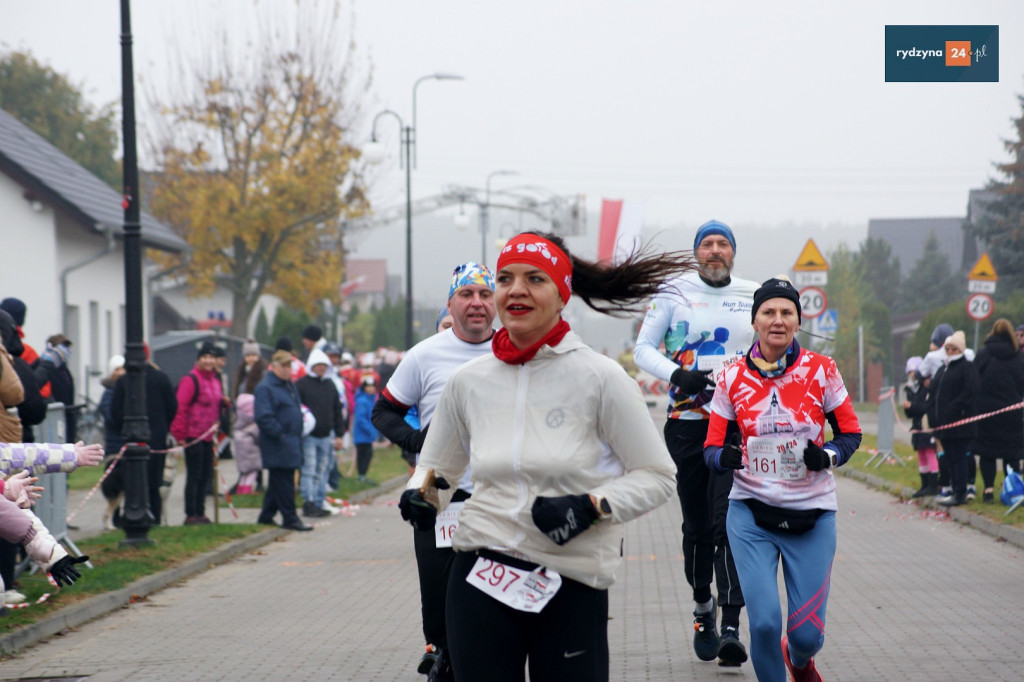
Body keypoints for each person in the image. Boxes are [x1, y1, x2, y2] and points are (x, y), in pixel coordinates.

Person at [400, 232, 690, 681]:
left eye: (534, 279)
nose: (516, 290)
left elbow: (657, 476)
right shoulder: (468, 380)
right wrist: (421, 495)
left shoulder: (601, 378)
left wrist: (590, 506)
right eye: (505, 278)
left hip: (569, 575)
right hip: (480, 567)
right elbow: (439, 468)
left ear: (562, 295)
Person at [702, 276, 862, 681]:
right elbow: (710, 450)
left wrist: (825, 455)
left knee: (806, 636)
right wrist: (728, 457)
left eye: (786, 312)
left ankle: (801, 658)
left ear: (797, 321)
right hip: (751, 516)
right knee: (765, 626)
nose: (777, 320)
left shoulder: (822, 371)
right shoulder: (731, 377)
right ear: (754, 322)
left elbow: (851, 433)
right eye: (768, 312)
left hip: (812, 516)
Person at [632, 219, 757, 666]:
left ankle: (729, 625)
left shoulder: (752, 293)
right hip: (688, 423)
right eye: (708, 244)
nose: (716, 251)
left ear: (733, 253)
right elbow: (642, 349)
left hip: (739, 427)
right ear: (696, 253)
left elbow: (778, 344)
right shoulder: (673, 293)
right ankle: (702, 605)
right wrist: (677, 374)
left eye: (724, 244)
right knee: (698, 527)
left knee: (728, 523)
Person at [371, 261, 497, 677]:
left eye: (484, 295)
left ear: (495, 303)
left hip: (501, 498)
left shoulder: (515, 349)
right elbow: (384, 411)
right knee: (439, 600)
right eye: (466, 295)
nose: (476, 303)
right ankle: (441, 653)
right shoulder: (424, 354)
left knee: (493, 605)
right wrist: (418, 442)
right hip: (439, 497)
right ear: (451, 303)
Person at [109, 347, 178, 525]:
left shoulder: (124, 381)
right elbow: (172, 406)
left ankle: (131, 516)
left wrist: (123, 430)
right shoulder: (160, 378)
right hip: (156, 438)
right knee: (154, 483)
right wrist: (162, 427)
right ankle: (154, 517)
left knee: (132, 482)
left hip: (131, 439)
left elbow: (115, 411)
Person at [254, 350, 312, 531]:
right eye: (284, 366)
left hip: (291, 440)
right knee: (285, 482)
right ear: (275, 366)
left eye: (289, 366)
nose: (288, 370)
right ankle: (290, 517)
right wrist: (280, 434)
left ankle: (266, 515)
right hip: (277, 442)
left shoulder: (289, 385)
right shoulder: (265, 388)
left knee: (277, 483)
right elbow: (264, 416)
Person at [971, 319, 1024, 503]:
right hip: (1012, 413)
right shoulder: (1018, 356)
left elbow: (974, 379)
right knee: (1011, 454)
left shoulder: (984, 353)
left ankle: (988, 490)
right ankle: (1014, 490)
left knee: (988, 453)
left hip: (987, 412)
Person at [170, 342, 223, 525]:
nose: (209, 361)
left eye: (211, 357)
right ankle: (191, 513)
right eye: (205, 357)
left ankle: (201, 512)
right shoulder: (191, 380)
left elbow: (215, 404)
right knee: (194, 475)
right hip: (194, 435)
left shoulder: (215, 380)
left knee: (205, 476)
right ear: (199, 360)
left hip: (209, 436)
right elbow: (180, 407)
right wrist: (180, 435)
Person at [929, 331, 980, 507]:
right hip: (945, 425)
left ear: (960, 349)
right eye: (948, 348)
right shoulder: (944, 368)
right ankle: (953, 488)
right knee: (950, 458)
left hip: (960, 424)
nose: (950, 351)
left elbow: (970, 391)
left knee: (959, 459)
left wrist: (953, 409)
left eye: (953, 348)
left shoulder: (966, 367)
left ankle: (961, 492)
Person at [297, 348, 345, 518]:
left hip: (327, 435)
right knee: (309, 469)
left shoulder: (330, 385)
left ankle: (318, 501)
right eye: (318, 365)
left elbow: (337, 410)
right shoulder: (302, 384)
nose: (321, 368)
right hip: (309, 435)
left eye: (324, 365)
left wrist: (339, 434)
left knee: (323, 469)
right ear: (311, 366)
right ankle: (308, 502)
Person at [902, 356, 939, 498]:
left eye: (915, 371)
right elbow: (912, 413)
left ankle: (933, 484)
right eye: (910, 372)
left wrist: (913, 405)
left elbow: (926, 407)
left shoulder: (926, 387)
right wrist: (908, 408)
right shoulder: (910, 388)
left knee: (930, 453)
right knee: (921, 454)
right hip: (917, 426)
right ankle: (924, 485)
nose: (912, 374)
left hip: (926, 425)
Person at [32, 334, 77, 442]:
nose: (66, 352)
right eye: (62, 348)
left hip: (67, 415)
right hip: (54, 417)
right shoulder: (45, 368)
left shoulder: (65, 370)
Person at [352, 376, 379, 484]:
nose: (371, 388)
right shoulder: (362, 401)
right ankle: (361, 476)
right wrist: (370, 430)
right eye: (368, 386)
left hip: (368, 435)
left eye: (373, 386)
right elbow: (360, 419)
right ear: (363, 387)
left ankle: (362, 476)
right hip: (362, 435)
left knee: (368, 455)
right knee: (363, 455)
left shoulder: (371, 400)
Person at [99, 355, 126, 457]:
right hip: (115, 444)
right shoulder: (109, 393)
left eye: (123, 369)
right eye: (117, 369)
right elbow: (109, 415)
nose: (120, 372)